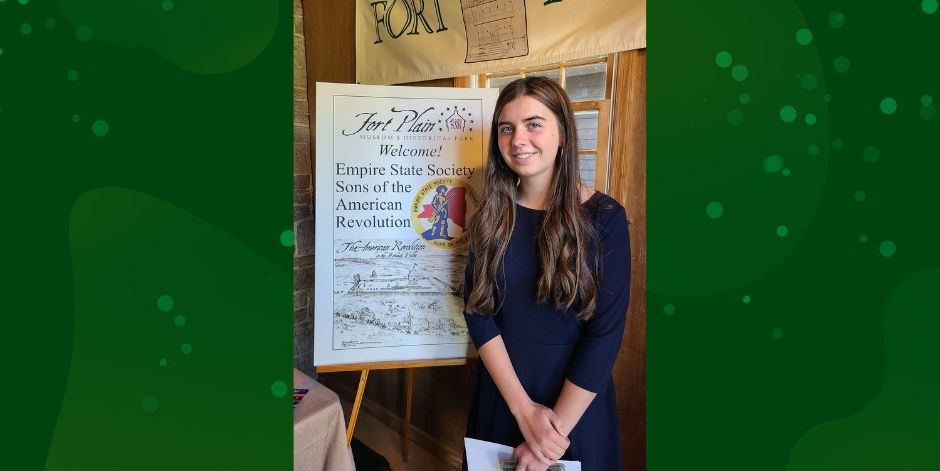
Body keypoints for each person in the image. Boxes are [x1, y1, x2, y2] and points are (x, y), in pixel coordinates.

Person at [463, 76, 631, 471]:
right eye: (507, 128)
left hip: (574, 408)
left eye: (534, 124)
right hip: (503, 394)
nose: (518, 139)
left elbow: (604, 337)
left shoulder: (605, 218)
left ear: (563, 134)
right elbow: (477, 312)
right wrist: (523, 411)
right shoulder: (490, 213)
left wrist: (547, 443)